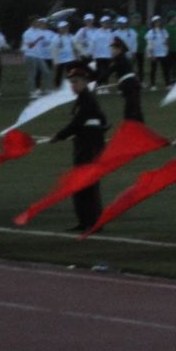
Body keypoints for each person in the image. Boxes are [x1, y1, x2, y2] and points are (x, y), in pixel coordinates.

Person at [46, 63, 108, 231]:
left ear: (85, 81)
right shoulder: (84, 98)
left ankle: (93, 222)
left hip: (89, 149)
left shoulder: (87, 99)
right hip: (85, 147)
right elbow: (103, 120)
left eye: (76, 81)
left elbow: (77, 122)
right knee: (81, 185)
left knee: (87, 186)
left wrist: (59, 136)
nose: (73, 85)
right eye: (71, 82)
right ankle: (85, 221)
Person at [107, 40, 144, 124]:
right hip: (130, 85)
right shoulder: (121, 58)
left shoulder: (119, 59)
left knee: (132, 110)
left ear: (119, 49)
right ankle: (138, 128)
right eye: (112, 49)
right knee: (134, 109)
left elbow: (109, 72)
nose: (112, 51)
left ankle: (137, 130)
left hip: (130, 86)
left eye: (114, 49)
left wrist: (96, 81)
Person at [145, 17, 170, 88]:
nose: (157, 23)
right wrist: (152, 54)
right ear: (153, 23)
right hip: (154, 54)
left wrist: (167, 49)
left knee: (165, 69)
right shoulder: (150, 32)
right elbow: (149, 44)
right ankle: (153, 84)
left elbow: (166, 41)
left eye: (159, 21)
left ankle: (167, 84)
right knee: (153, 69)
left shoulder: (164, 31)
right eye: (156, 22)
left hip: (163, 53)